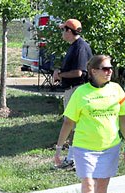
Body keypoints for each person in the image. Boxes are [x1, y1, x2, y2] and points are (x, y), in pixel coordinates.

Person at [54, 55, 125, 193]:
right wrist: (59, 149)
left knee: (101, 187)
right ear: (93, 71)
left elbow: (123, 118)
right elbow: (68, 122)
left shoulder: (116, 90)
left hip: (110, 147)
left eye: (110, 68)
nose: (109, 71)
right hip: (84, 147)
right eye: (105, 68)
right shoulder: (81, 93)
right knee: (89, 184)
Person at [53, 18, 93, 170]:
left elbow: (78, 72)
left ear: (69, 31)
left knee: (71, 124)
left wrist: (60, 75)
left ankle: (72, 160)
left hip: (77, 89)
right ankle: (72, 159)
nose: (62, 32)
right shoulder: (74, 46)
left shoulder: (80, 47)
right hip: (73, 89)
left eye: (63, 29)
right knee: (73, 125)